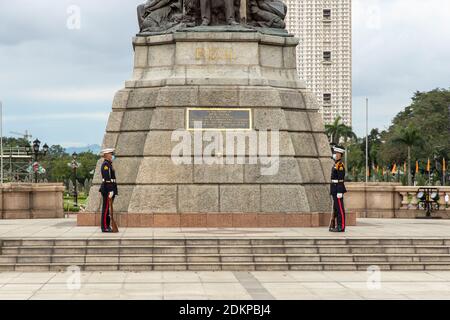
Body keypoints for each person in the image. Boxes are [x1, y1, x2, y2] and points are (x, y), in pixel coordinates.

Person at [99, 148, 118, 233]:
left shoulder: (109, 164)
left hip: (110, 188)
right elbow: (107, 179)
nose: (112, 155)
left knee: (107, 208)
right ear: (106, 154)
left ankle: (107, 225)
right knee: (106, 209)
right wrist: (110, 190)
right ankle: (104, 227)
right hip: (107, 189)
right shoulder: (105, 165)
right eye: (111, 153)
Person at [330, 145, 347, 233]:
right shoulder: (335, 164)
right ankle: (337, 225)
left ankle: (341, 226)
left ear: (340, 155)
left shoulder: (340, 165)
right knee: (336, 208)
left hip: (338, 189)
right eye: (335, 153)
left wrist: (339, 191)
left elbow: (341, 179)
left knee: (340, 209)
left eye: (337, 153)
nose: (335, 155)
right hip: (334, 188)